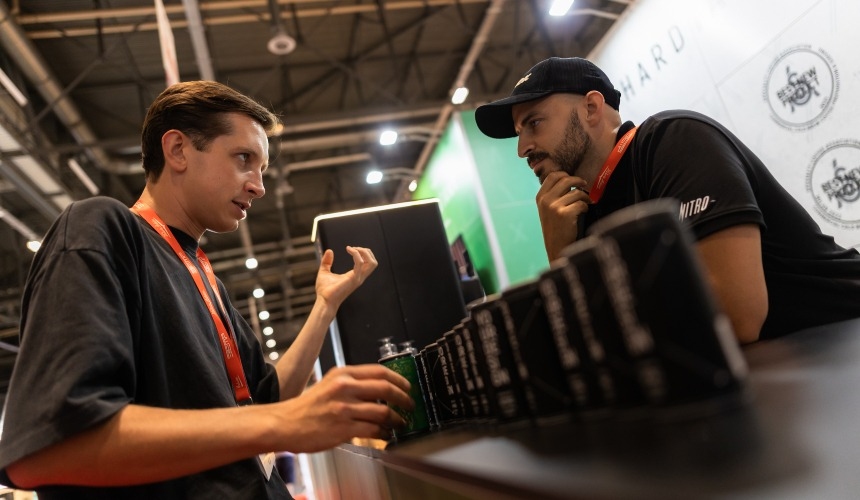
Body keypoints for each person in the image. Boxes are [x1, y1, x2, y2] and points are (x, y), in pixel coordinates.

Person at [0, 81, 413, 499]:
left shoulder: (203, 274)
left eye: (262, 169)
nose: (259, 186)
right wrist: (281, 422)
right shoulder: (104, 228)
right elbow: (52, 445)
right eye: (243, 159)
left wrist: (325, 306)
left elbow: (267, 400)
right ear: (177, 150)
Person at [474, 56, 860, 344]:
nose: (523, 148)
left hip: (842, 339)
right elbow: (596, 350)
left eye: (534, 123)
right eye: (519, 132)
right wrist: (561, 257)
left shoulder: (672, 141)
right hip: (778, 372)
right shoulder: (581, 212)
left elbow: (736, 317)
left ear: (591, 108)